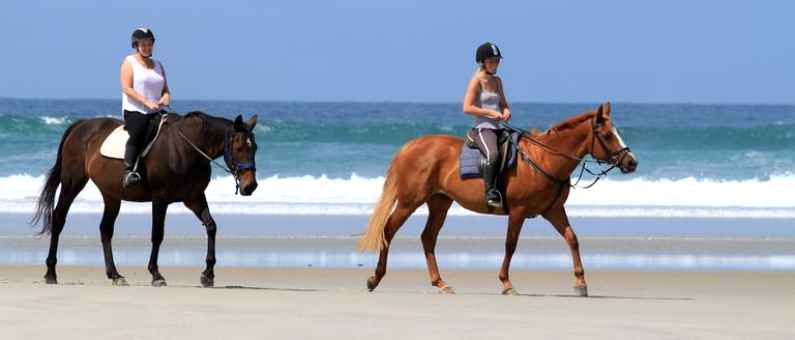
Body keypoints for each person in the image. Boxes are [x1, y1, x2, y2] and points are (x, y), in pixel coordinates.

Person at [119, 27, 171, 188]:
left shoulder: (158, 65)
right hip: (135, 111)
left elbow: (166, 90)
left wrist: (165, 99)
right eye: (143, 45)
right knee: (139, 132)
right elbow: (127, 88)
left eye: (149, 44)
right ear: (136, 45)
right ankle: (129, 172)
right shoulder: (129, 62)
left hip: (156, 111)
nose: (147, 47)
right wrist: (146, 102)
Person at [462, 42, 512, 208]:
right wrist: (491, 113)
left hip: (499, 127)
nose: (495, 64)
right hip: (483, 129)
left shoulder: (498, 81)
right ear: (482, 62)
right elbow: (467, 107)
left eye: (497, 60)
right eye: (492, 61)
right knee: (493, 155)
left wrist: (506, 111)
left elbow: (503, 103)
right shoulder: (476, 81)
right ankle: (490, 193)